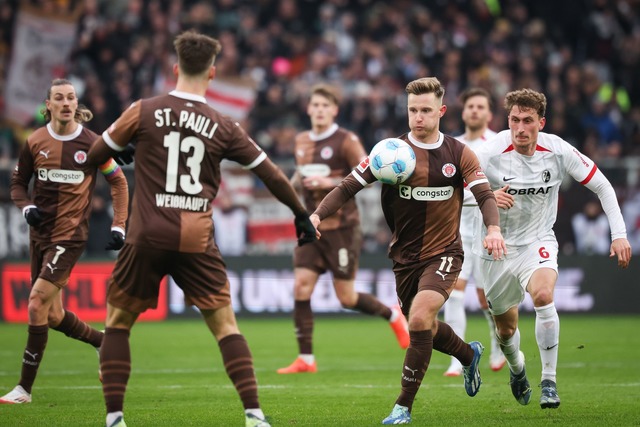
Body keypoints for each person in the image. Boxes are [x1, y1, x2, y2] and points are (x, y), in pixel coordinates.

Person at [86, 30, 316, 427]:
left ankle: (115, 419)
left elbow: (94, 155)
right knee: (226, 326)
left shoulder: (143, 110)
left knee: (118, 323)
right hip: (196, 236)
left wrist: (122, 149)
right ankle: (254, 415)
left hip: (146, 233)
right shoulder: (223, 124)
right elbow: (272, 174)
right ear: (212, 73)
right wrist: (300, 214)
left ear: (175, 68)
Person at [309, 77, 506, 424]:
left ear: (441, 112)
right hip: (404, 258)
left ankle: (403, 406)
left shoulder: (458, 153)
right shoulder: (388, 153)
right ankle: (467, 353)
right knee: (424, 329)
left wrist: (493, 228)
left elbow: (485, 195)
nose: (418, 117)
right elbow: (347, 187)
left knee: (418, 318)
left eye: (426, 111)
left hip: (445, 252)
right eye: (413, 110)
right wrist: (316, 215)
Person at [472, 88, 632, 409]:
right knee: (506, 331)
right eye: (514, 120)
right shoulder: (490, 152)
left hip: (538, 240)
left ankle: (549, 381)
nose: (520, 128)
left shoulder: (557, 151)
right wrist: (486, 195)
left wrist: (620, 234)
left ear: (540, 122)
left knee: (544, 296)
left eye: (527, 120)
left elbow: (601, 184)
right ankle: (518, 370)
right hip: (496, 248)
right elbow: (458, 188)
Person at [2, 78, 128, 404]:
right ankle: (104, 343)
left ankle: (24, 389)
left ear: (76, 103)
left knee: (35, 303)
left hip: (71, 236)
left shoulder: (93, 143)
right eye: (59, 98)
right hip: (39, 236)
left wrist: (119, 225)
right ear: (48, 105)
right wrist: (26, 205)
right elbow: (17, 183)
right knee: (53, 315)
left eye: (71, 97)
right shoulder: (34, 141)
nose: (67, 103)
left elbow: (119, 182)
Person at [277, 84, 409, 375]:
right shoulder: (301, 141)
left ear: (334, 110)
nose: (320, 110)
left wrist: (329, 183)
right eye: (315, 105)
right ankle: (306, 359)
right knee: (301, 287)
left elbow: (372, 173)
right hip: (311, 226)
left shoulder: (346, 140)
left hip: (342, 228)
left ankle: (392, 315)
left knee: (346, 298)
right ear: (309, 108)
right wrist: (290, 186)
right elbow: (300, 174)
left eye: (326, 105)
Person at [442, 88, 506, 377]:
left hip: (485, 229)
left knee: (485, 298)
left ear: (489, 114)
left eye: (481, 106)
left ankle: (497, 345)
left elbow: (509, 183)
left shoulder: (499, 143)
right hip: (457, 230)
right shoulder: (452, 144)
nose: (475, 111)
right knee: (454, 293)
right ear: (463, 111)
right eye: (471, 106)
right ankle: (458, 357)